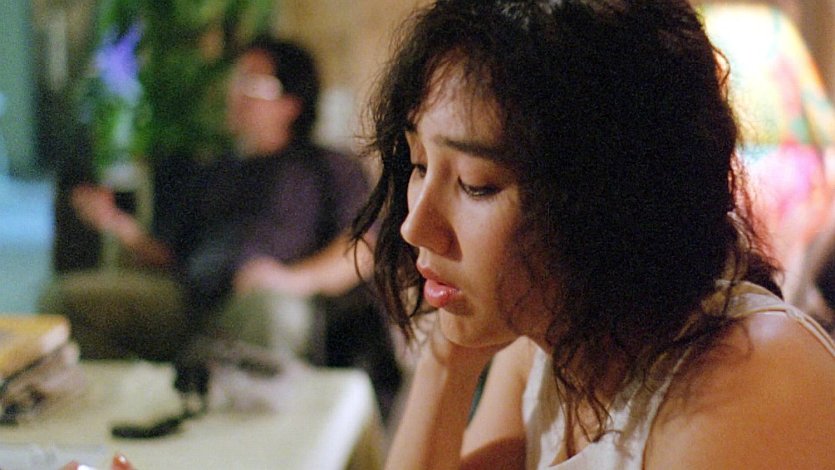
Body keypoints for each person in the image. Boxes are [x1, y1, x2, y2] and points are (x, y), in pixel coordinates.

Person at [349, 0, 835, 468]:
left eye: (475, 184)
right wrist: (446, 359)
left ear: (608, 195)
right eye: (418, 164)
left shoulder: (748, 383)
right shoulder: (546, 345)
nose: (415, 226)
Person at [42, 37, 377, 363]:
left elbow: (362, 249)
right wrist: (115, 223)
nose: (236, 92)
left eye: (252, 83)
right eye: (236, 79)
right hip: (192, 300)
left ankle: (239, 386)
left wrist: (290, 280)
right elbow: (171, 255)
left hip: (266, 301)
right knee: (65, 301)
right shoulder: (216, 169)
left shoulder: (327, 167)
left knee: (272, 312)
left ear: (291, 104)